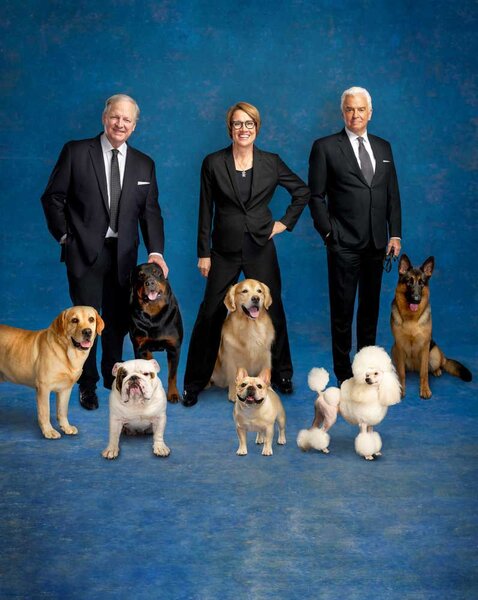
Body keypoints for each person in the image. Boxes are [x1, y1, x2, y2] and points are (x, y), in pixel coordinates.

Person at [41, 94, 168, 410]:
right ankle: (86, 385)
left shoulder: (144, 163)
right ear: (104, 117)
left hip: (124, 257)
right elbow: (53, 197)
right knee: (86, 324)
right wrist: (64, 238)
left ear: (134, 125)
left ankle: (113, 378)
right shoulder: (76, 152)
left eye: (127, 120)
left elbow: (150, 212)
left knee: (117, 321)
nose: (120, 124)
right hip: (84, 253)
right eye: (115, 117)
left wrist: (156, 253)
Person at [182, 101, 310, 407]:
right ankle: (194, 382)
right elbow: (205, 210)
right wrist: (204, 252)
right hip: (223, 250)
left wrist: (282, 224)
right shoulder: (213, 163)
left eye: (249, 124)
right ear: (230, 128)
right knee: (210, 312)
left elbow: (302, 192)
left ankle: (282, 374)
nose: (243, 129)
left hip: (260, 246)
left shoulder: (271, 162)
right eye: (238, 124)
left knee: (273, 310)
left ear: (257, 128)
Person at [308, 86, 401, 385]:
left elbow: (392, 195)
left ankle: (366, 368)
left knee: (369, 312)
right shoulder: (325, 147)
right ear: (342, 112)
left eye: (361, 109)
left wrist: (395, 234)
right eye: (350, 109)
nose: (355, 114)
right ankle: (343, 373)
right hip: (343, 244)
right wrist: (328, 234)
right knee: (343, 312)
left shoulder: (384, 147)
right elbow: (316, 196)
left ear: (370, 113)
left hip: (377, 243)